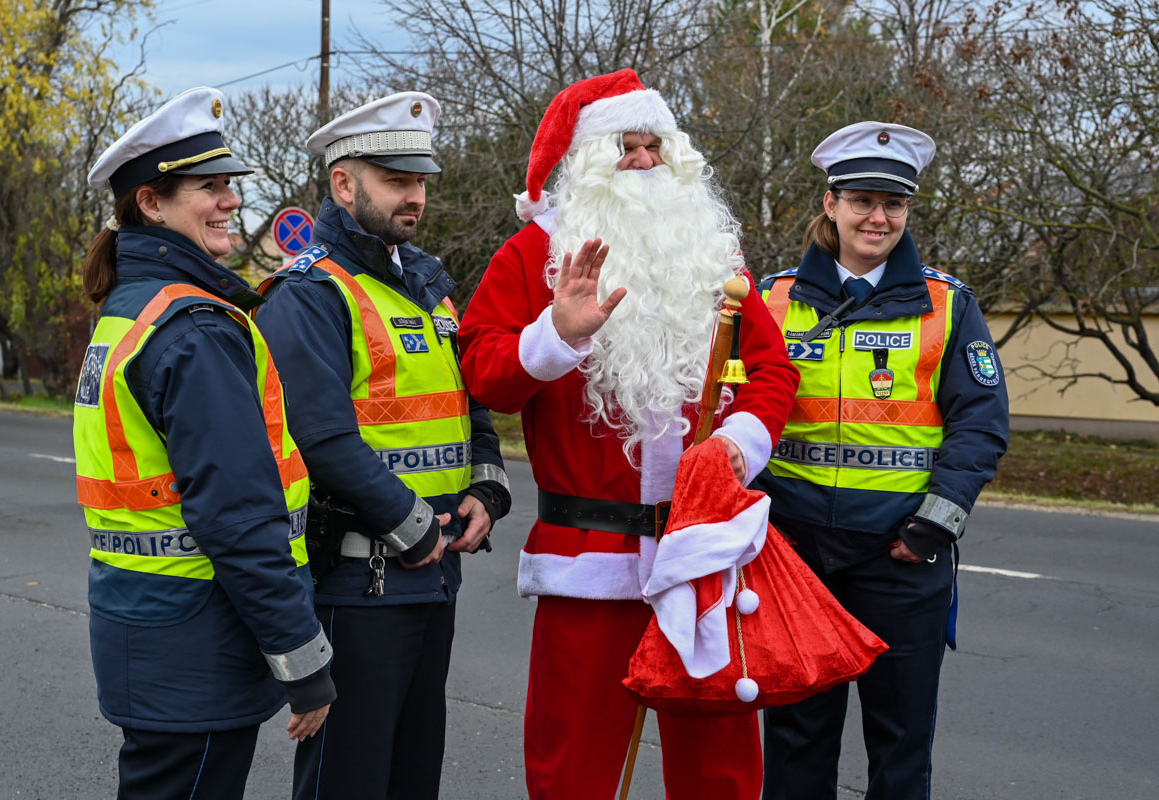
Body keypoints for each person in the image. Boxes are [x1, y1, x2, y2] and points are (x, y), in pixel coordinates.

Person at [457, 69, 800, 798]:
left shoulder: (712, 259)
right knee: (574, 765)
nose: (645, 161)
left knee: (721, 769)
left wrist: (736, 445)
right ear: (585, 166)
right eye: (625, 147)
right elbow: (485, 373)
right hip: (589, 560)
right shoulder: (532, 256)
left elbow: (774, 375)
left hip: (704, 554)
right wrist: (556, 333)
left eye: (655, 147)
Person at [74, 87, 335, 800]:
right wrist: (302, 660)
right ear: (152, 205)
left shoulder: (133, 309)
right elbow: (239, 516)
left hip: (149, 628)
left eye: (230, 186)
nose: (229, 202)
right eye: (208, 189)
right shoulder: (193, 328)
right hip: (198, 644)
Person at [253, 91, 512, 800]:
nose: (416, 197)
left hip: (433, 578)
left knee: (410, 777)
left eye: (421, 181)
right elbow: (321, 435)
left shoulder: (426, 284)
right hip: (359, 587)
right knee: (350, 781)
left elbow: (467, 406)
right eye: (398, 181)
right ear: (344, 184)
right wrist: (415, 522)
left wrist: (487, 489)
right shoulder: (309, 293)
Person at [753, 121, 1011, 799]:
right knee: (794, 742)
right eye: (863, 199)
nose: (878, 217)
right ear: (831, 202)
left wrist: (935, 523)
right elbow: (735, 414)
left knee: (900, 748)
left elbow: (980, 424)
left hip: (903, 556)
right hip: (797, 557)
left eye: (893, 204)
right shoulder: (769, 299)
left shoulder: (948, 305)